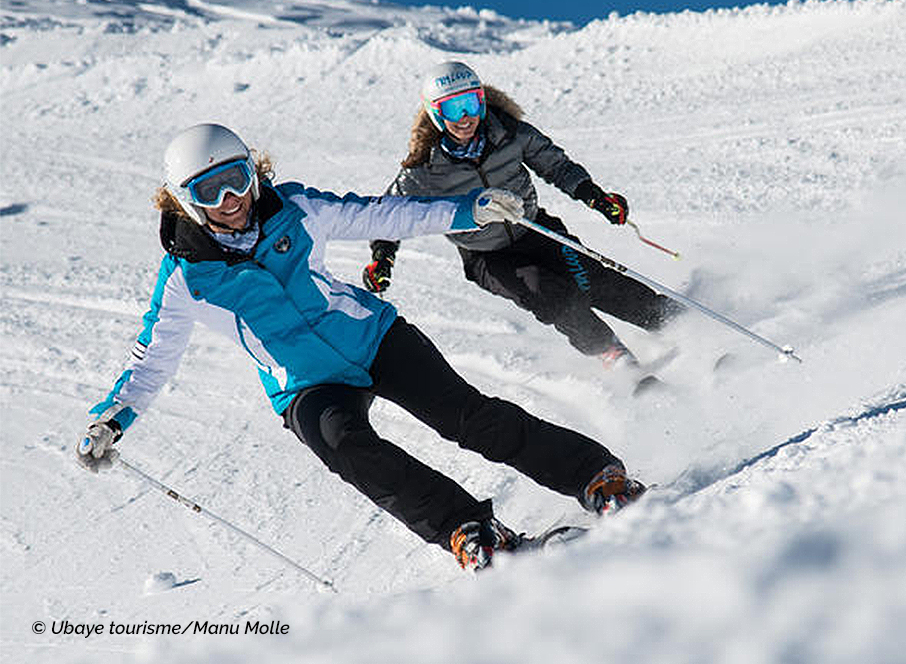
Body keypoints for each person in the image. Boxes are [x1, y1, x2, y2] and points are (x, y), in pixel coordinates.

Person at [76, 123, 645, 573]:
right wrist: (112, 418)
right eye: (210, 191)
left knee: (469, 418)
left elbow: (380, 212)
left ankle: (595, 476)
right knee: (348, 449)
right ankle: (468, 530)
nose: (232, 199)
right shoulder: (184, 277)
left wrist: (466, 210)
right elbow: (150, 357)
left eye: (238, 179)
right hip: (304, 384)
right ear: (184, 200)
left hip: (372, 337)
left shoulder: (295, 209)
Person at [363, 61, 683, 369]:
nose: (464, 118)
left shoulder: (509, 133)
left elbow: (554, 164)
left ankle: (672, 322)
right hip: (487, 255)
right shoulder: (424, 166)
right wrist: (383, 255)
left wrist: (594, 196)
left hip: (535, 228)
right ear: (435, 113)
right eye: (452, 109)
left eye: (471, 105)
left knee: (590, 277)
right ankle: (612, 353)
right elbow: (393, 212)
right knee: (547, 293)